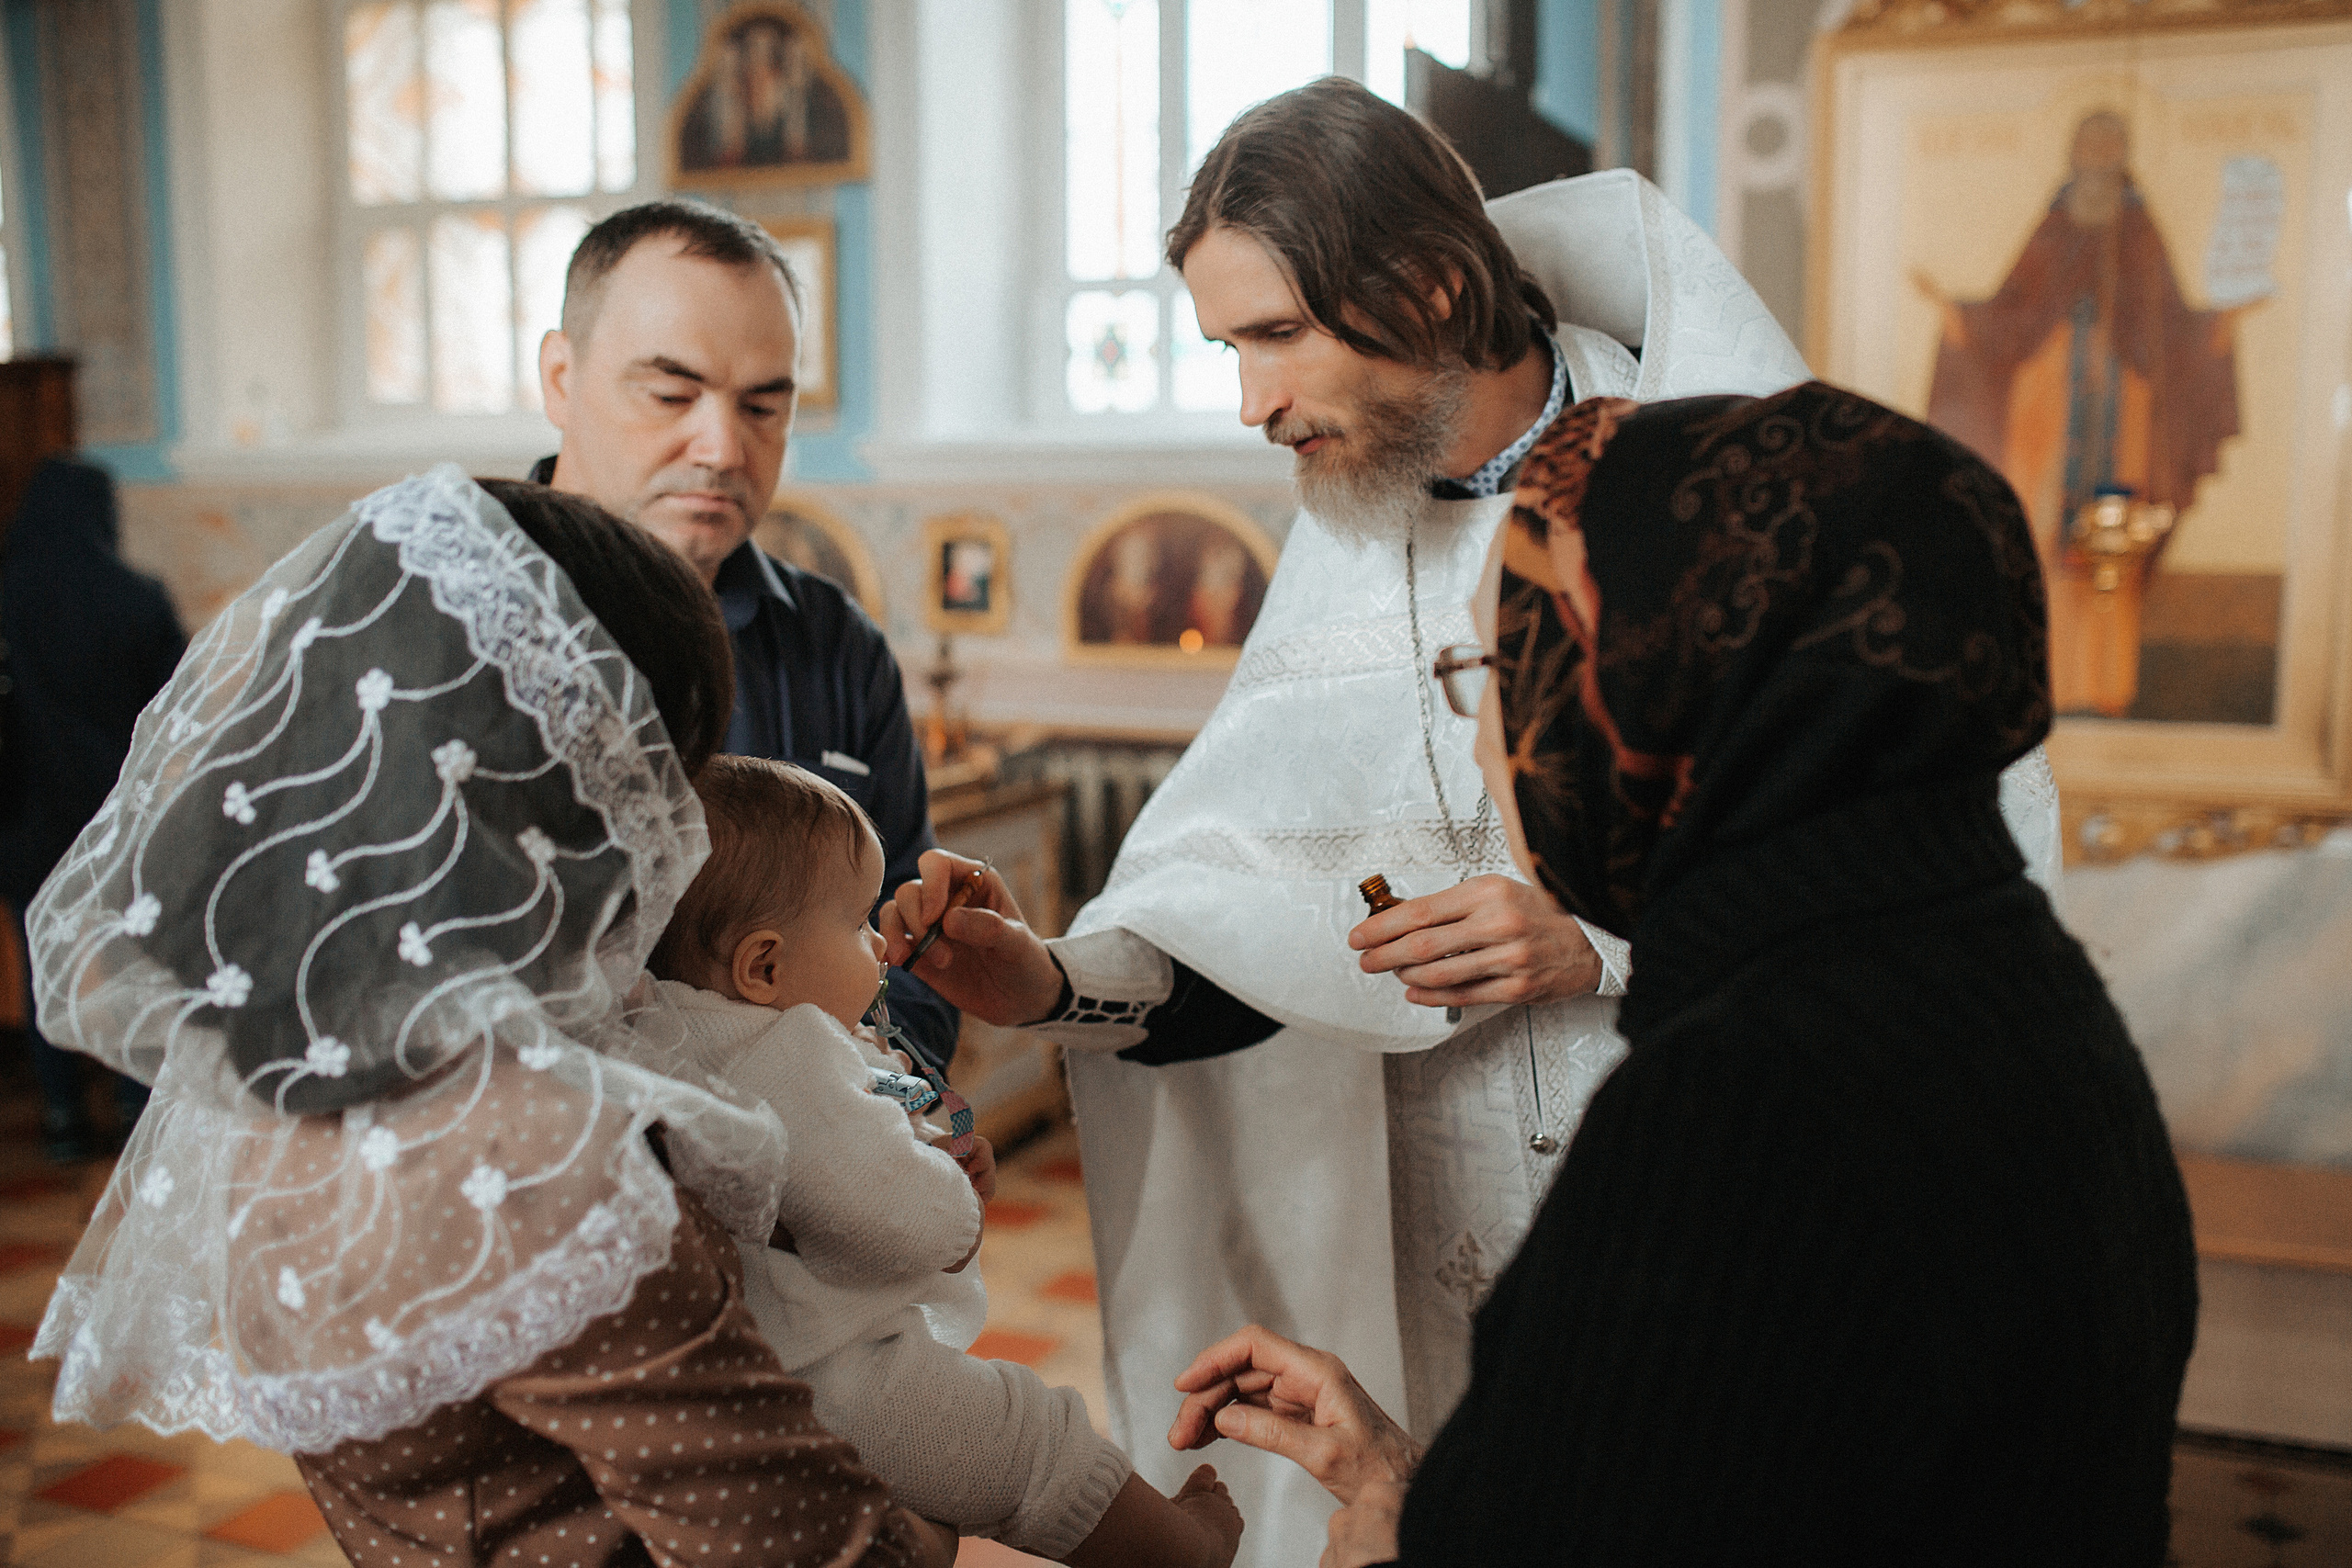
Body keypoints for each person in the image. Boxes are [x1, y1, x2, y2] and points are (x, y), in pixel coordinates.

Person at [879, 78, 2063, 1567]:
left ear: (1431, 286)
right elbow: (1253, 927)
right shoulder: (1352, 530)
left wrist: (1605, 938)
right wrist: (1048, 979)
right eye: (1226, 349)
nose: (1252, 406)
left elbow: (1957, 854)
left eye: (1273, 336)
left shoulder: (1746, 485)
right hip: (1447, 1241)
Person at [1162, 382, 2199, 1567]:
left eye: (1502, 665)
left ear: (1643, 681)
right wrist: (1419, 1482)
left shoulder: (1739, 1104)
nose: (1489, 730)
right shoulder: (2017, 980)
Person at [26, 469, 957, 1567]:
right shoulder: (527, 1149)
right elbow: (828, 1553)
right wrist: (954, 1505)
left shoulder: (285, 1064)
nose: (672, 841)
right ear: (574, 799)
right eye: (663, 787)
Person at [647, 756, 1244, 1567]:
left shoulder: (671, 1027)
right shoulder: (787, 1054)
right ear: (764, 967)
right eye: (858, 924)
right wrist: (951, 1201)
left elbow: (851, 1131)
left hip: (745, 1364)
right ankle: (1181, 1549)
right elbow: (899, 1221)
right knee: (1025, 1434)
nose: (878, 951)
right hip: (831, 1380)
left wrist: (924, 1136)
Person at [532, 198, 960, 1075]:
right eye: (671, 392)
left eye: (763, 406)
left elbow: (908, 959)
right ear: (561, 378)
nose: (723, 446)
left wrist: (899, 1123)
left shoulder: (836, 647)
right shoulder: (442, 627)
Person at [0, 456, 184, 1161]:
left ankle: (62, 1116)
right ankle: (137, 1102)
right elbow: (177, 707)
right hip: (114, 813)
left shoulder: (8, 594)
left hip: (21, 811)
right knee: (127, 954)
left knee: (43, 961)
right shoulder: (135, 596)